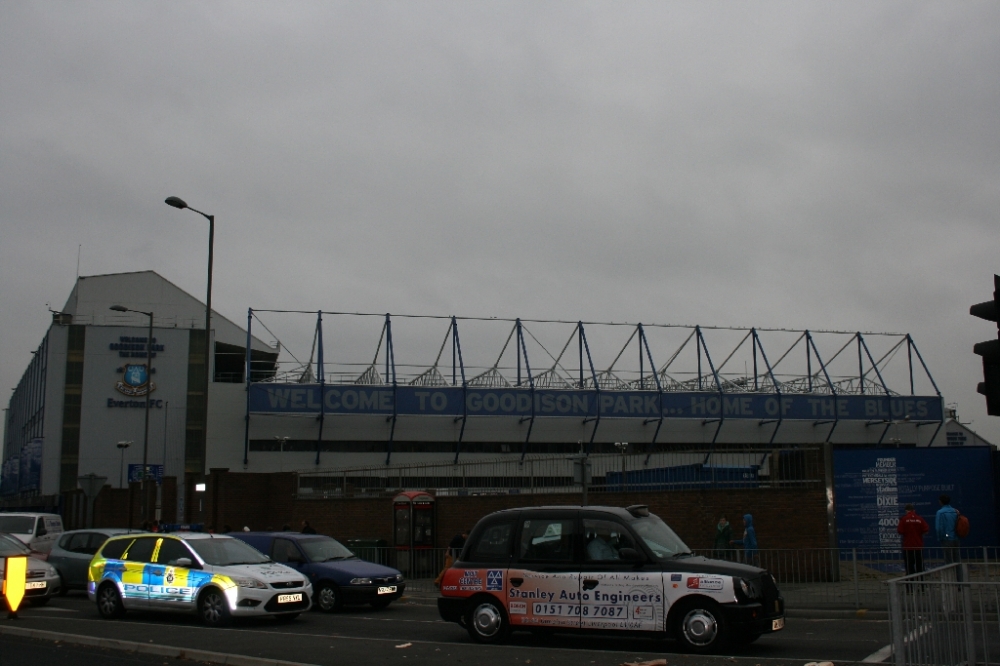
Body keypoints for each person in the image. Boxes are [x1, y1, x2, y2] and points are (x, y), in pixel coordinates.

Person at [897, 503, 929, 576]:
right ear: (914, 510)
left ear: (906, 511)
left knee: (909, 566)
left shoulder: (904, 519)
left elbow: (900, 531)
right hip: (918, 546)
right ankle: (921, 580)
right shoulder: (920, 519)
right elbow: (926, 530)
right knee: (919, 565)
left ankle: (910, 580)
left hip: (908, 546)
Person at [935, 494, 961, 567]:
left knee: (948, 560)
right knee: (957, 559)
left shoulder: (940, 512)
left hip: (946, 538)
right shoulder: (955, 511)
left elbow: (939, 528)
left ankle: (950, 574)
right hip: (956, 537)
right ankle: (959, 574)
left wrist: (940, 538)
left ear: (940, 501)